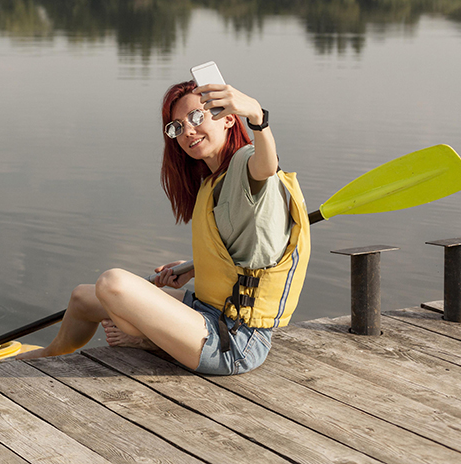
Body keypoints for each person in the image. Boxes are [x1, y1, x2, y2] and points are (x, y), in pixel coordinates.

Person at [16, 80, 311, 375]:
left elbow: (267, 166)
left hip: (232, 340)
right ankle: (47, 355)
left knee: (112, 284)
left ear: (228, 118)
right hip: (206, 308)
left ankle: (144, 339)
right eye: (177, 127)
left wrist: (258, 119)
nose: (188, 132)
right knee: (82, 297)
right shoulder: (213, 180)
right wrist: (195, 268)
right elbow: (243, 251)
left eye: (196, 117)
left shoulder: (246, 163)